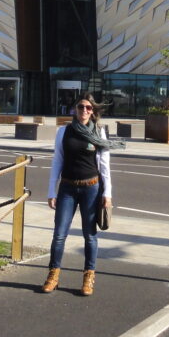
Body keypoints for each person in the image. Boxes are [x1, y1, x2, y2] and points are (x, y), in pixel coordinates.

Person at [42, 93, 124, 296]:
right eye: (81, 107)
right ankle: (53, 275)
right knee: (59, 235)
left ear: (93, 111)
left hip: (91, 188)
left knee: (90, 236)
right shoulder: (64, 131)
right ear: (75, 109)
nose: (84, 110)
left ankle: (88, 276)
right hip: (67, 189)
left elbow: (104, 165)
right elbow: (57, 161)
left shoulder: (98, 132)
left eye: (88, 108)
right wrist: (52, 191)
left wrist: (108, 193)